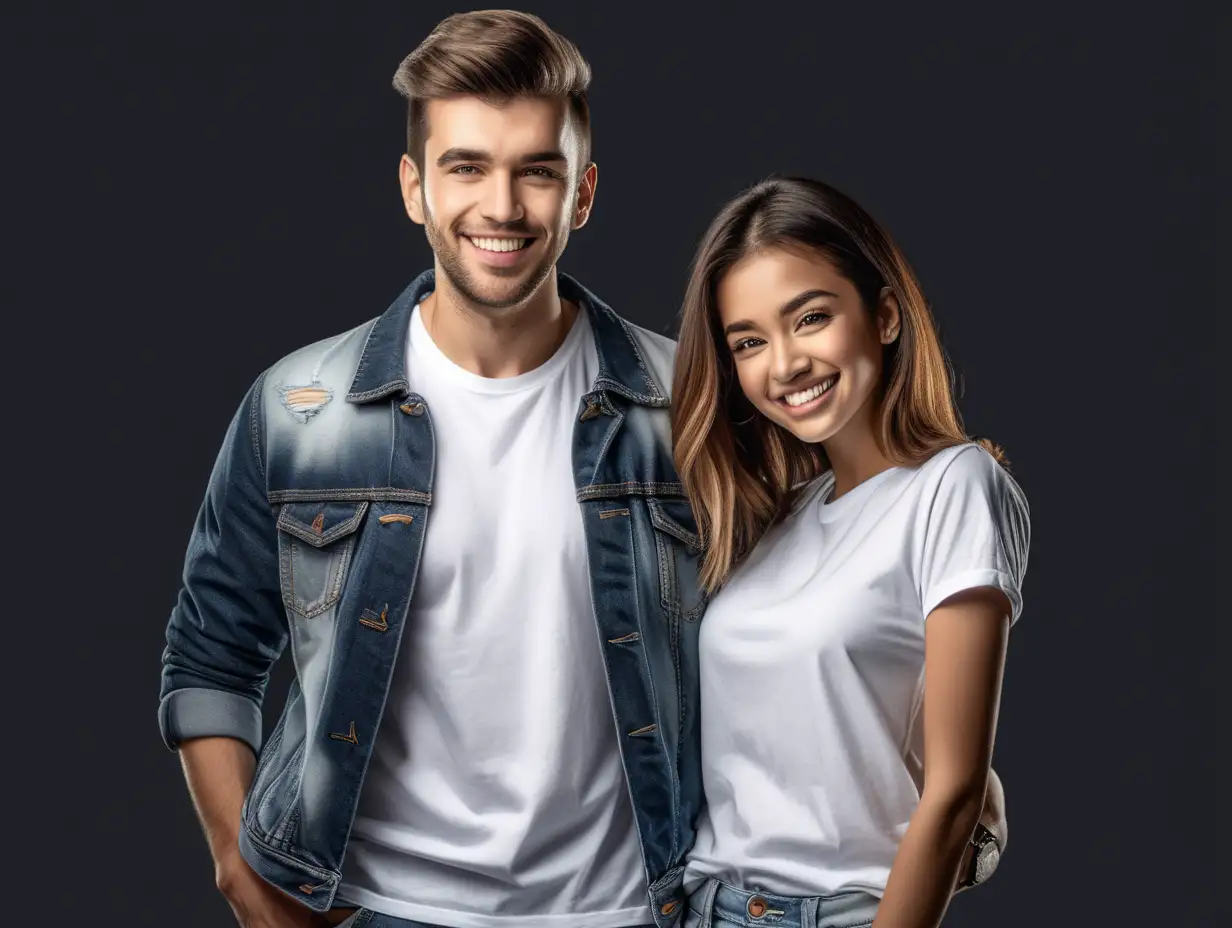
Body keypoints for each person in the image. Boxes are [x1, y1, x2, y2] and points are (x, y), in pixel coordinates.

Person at [159, 11, 1007, 928]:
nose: (504, 206)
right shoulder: (297, 409)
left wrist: (960, 796)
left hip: (630, 911)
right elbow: (210, 654)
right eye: (467, 166)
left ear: (584, 193)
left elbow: (843, 591)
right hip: (375, 907)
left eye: (538, 170)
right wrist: (238, 870)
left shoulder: (691, 410)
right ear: (414, 187)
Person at [670, 175, 1031, 928]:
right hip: (706, 907)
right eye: (749, 341)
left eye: (810, 318)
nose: (785, 364)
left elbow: (959, 790)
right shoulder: (780, 517)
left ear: (886, 314)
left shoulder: (955, 486)